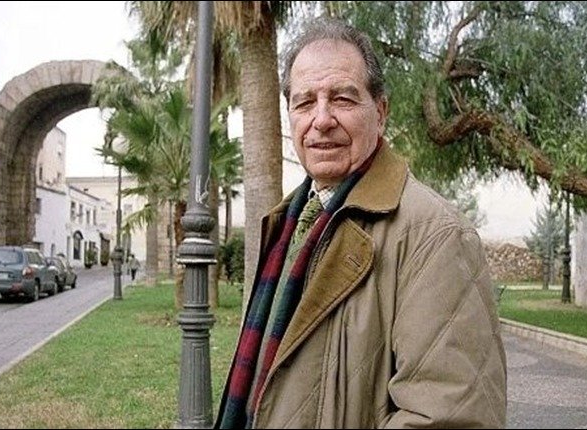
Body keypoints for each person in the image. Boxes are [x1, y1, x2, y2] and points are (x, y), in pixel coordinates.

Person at [216, 19, 506, 429]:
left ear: (380, 112)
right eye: (304, 103)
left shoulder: (435, 235)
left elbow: (450, 418)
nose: (321, 119)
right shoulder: (289, 221)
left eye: (342, 99)